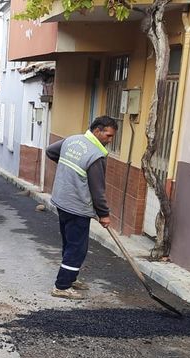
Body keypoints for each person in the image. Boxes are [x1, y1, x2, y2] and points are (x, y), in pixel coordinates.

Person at [45, 116, 117, 300]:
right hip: (77, 205)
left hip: (62, 199)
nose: (110, 140)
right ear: (97, 131)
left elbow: (51, 151)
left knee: (70, 242)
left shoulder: (72, 140)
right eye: (108, 136)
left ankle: (71, 278)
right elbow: (97, 190)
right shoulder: (95, 155)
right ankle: (61, 286)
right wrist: (104, 214)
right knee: (77, 247)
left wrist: (68, 171)